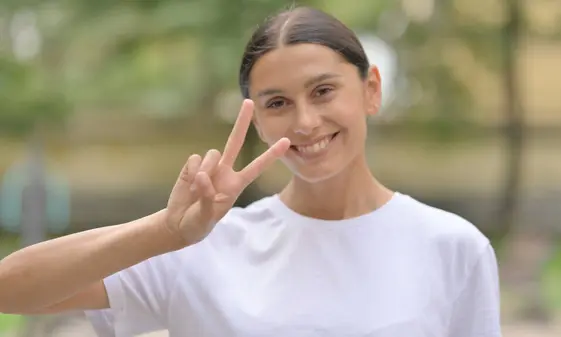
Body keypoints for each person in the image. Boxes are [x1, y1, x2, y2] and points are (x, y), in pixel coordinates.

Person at [0, 6, 502, 337]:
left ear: (371, 88)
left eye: (323, 91)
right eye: (278, 103)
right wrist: (163, 231)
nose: (306, 122)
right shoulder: (201, 246)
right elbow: (9, 290)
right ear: (256, 119)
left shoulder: (453, 248)